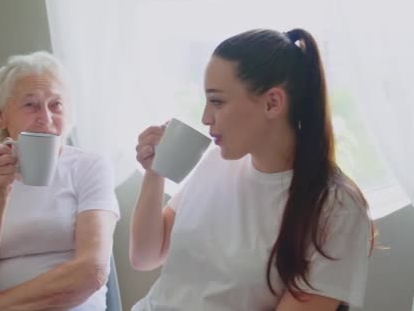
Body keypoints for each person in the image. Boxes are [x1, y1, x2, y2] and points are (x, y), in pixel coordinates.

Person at [130, 29, 374, 311]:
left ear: (273, 103)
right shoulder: (215, 163)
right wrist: (155, 172)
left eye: (217, 101)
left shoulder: (336, 207)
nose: (205, 117)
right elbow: (145, 256)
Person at [0, 51, 120, 310]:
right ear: (1, 116)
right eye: (30, 104)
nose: (46, 117)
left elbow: (92, 271)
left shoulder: (90, 167)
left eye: (56, 105)